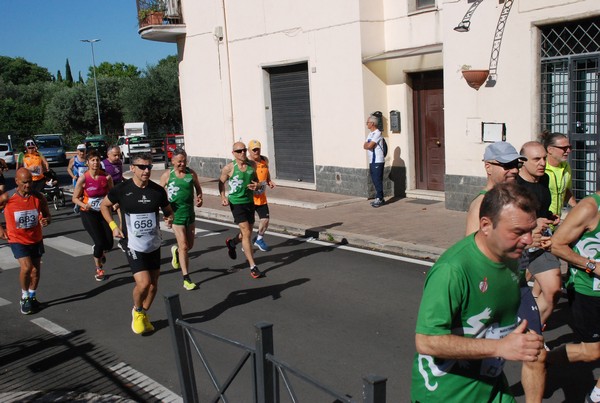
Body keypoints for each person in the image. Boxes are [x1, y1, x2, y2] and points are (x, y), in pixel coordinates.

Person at [411, 183, 545, 403]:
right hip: (446, 396)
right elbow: (426, 341)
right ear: (485, 225)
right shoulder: (452, 270)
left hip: (493, 389)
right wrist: (501, 347)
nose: (528, 240)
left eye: (530, 230)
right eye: (518, 232)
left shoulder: (515, 257)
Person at [100, 153, 174, 335]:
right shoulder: (122, 189)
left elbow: (168, 211)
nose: (146, 171)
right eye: (142, 167)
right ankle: (137, 310)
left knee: (154, 284)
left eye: (149, 167)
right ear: (132, 168)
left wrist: (169, 218)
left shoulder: (157, 191)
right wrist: (113, 226)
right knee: (144, 283)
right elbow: (104, 205)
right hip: (132, 243)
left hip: (153, 243)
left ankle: (143, 313)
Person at [549, 189, 600, 403]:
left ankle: (596, 395)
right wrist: (592, 265)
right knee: (592, 352)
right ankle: (544, 359)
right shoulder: (589, 208)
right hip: (588, 291)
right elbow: (556, 244)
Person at [516, 141, 561, 327]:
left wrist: (550, 217)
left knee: (554, 290)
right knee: (509, 294)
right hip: (519, 245)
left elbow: (541, 208)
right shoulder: (514, 185)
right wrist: (533, 225)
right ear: (523, 162)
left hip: (541, 244)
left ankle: (534, 330)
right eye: (536, 159)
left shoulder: (545, 179)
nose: (542, 163)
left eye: (544, 158)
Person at [0, 168, 51, 314]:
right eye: (24, 182)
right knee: (27, 268)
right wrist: (1, 230)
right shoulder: (7, 197)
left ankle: (32, 296)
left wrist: (46, 220)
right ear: (16, 181)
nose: (28, 185)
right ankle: (24, 297)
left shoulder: (38, 197)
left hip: (35, 238)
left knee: (35, 271)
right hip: (17, 239)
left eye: (29, 182)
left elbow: (47, 215)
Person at [159, 147, 203, 291]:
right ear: (172, 161)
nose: (182, 164)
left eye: (184, 161)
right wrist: (166, 214)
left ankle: (176, 252)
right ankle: (186, 278)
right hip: (175, 214)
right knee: (184, 246)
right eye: (179, 162)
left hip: (189, 213)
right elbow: (159, 194)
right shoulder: (167, 175)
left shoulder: (191, 173)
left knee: (189, 246)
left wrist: (199, 197)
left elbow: (198, 187)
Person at [218, 141, 264, 279]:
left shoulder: (252, 165)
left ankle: (232, 242)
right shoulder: (229, 168)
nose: (242, 153)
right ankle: (253, 266)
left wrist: (257, 186)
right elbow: (221, 182)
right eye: (239, 151)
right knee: (246, 233)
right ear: (233, 153)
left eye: (244, 150)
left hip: (249, 202)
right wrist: (223, 197)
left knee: (247, 232)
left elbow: (257, 182)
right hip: (236, 202)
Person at [465, 141, 526, 235]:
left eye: (517, 165)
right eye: (508, 165)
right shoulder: (481, 204)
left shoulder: (509, 196)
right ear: (488, 167)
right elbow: (471, 246)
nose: (515, 170)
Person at [72, 150, 114, 281]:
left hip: (103, 212)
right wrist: (83, 205)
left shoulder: (106, 177)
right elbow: (74, 198)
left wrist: (114, 204)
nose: (95, 163)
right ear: (88, 163)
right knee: (100, 242)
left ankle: (100, 251)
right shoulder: (83, 178)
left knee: (109, 243)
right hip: (88, 213)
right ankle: (99, 269)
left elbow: (112, 194)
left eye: (97, 160)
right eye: (92, 160)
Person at [540, 131, 576, 218]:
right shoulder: (541, 168)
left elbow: (565, 190)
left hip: (555, 220)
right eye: (564, 148)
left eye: (569, 147)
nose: (568, 151)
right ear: (550, 150)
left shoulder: (566, 167)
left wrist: (577, 207)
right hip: (541, 222)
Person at [247, 139, 275, 252]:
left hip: (261, 196)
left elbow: (266, 172)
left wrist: (269, 181)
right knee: (248, 225)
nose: (256, 152)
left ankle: (259, 239)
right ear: (249, 150)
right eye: (254, 150)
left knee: (265, 219)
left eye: (258, 149)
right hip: (249, 198)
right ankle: (241, 243)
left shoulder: (264, 160)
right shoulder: (247, 162)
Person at [101, 145, 126, 252]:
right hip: (107, 195)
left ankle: (122, 240)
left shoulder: (119, 163)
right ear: (108, 154)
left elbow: (120, 177)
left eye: (119, 155)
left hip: (119, 192)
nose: (117, 157)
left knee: (123, 218)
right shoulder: (103, 164)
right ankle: (104, 241)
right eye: (115, 155)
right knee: (108, 219)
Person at [363, 114, 385, 208]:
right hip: (372, 160)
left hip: (378, 161)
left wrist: (368, 145)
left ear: (372, 123)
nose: (366, 124)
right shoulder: (370, 134)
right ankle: (380, 198)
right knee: (374, 180)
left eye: (367, 122)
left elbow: (370, 146)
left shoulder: (377, 133)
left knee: (377, 179)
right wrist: (368, 145)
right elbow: (365, 145)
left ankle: (379, 198)